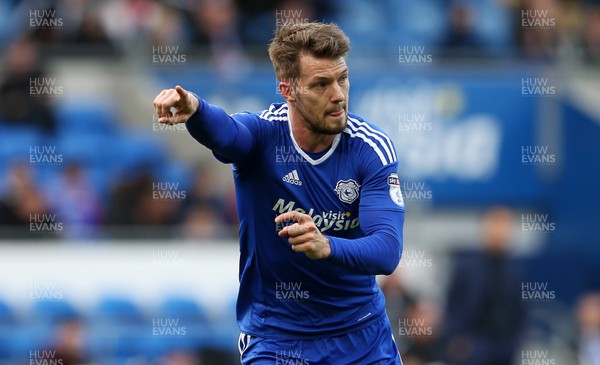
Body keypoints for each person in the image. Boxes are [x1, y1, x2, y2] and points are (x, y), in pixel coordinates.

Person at [153, 22, 405, 364]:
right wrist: (196, 109)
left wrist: (327, 245)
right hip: (277, 340)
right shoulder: (263, 136)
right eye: (321, 84)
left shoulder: (369, 149)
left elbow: (387, 251)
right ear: (288, 89)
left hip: (360, 338)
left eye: (342, 78)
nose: (339, 94)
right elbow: (227, 134)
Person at [441, 207, 525, 365]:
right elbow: (451, 305)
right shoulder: (466, 266)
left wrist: (516, 341)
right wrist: (455, 339)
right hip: (473, 345)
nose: (501, 231)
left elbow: (520, 309)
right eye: (496, 224)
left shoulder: (514, 270)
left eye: (506, 225)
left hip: (505, 345)